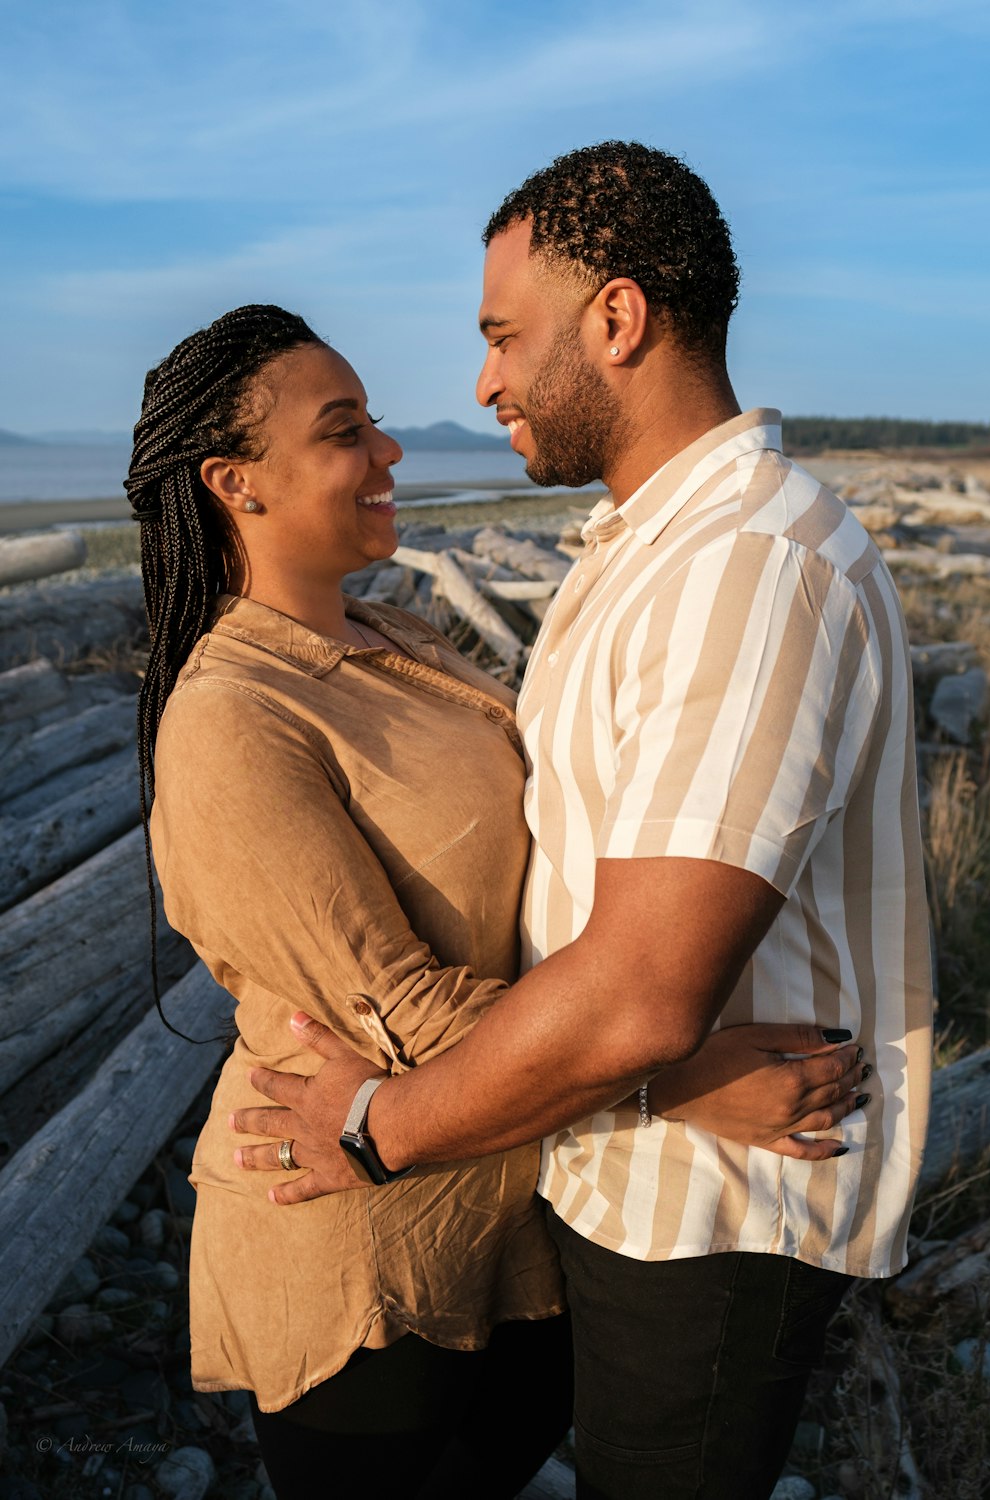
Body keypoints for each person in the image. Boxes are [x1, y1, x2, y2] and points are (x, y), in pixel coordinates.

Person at [232, 143, 934, 1500]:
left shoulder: (747, 566)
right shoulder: (655, 547)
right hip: (629, 1152)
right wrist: (651, 1074)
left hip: (713, 1215)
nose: (482, 381)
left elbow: (643, 990)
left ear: (616, 321)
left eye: (503, 336)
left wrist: (380, 1124)